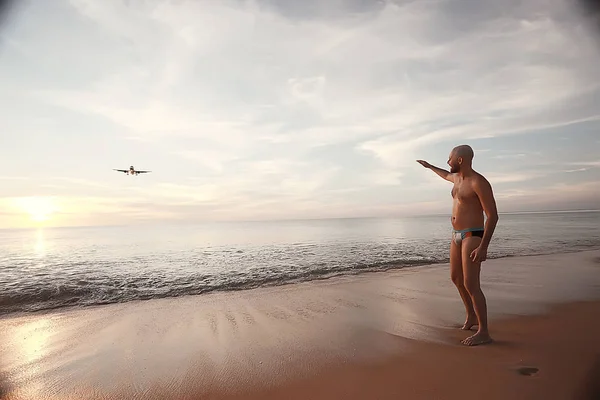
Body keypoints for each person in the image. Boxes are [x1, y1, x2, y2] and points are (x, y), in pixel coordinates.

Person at [417, 145, 499, 346]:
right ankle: (471, 315)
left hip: (472, 235)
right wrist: (429, 167)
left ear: (460, 160)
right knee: (456, 278)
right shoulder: (457, 179)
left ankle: (484, 331)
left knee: (472, 284)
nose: (448, 162)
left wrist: (484, 247)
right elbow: (445, 174)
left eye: (450, 158)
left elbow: (492, 216)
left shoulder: (478, 182)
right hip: (456, 235)